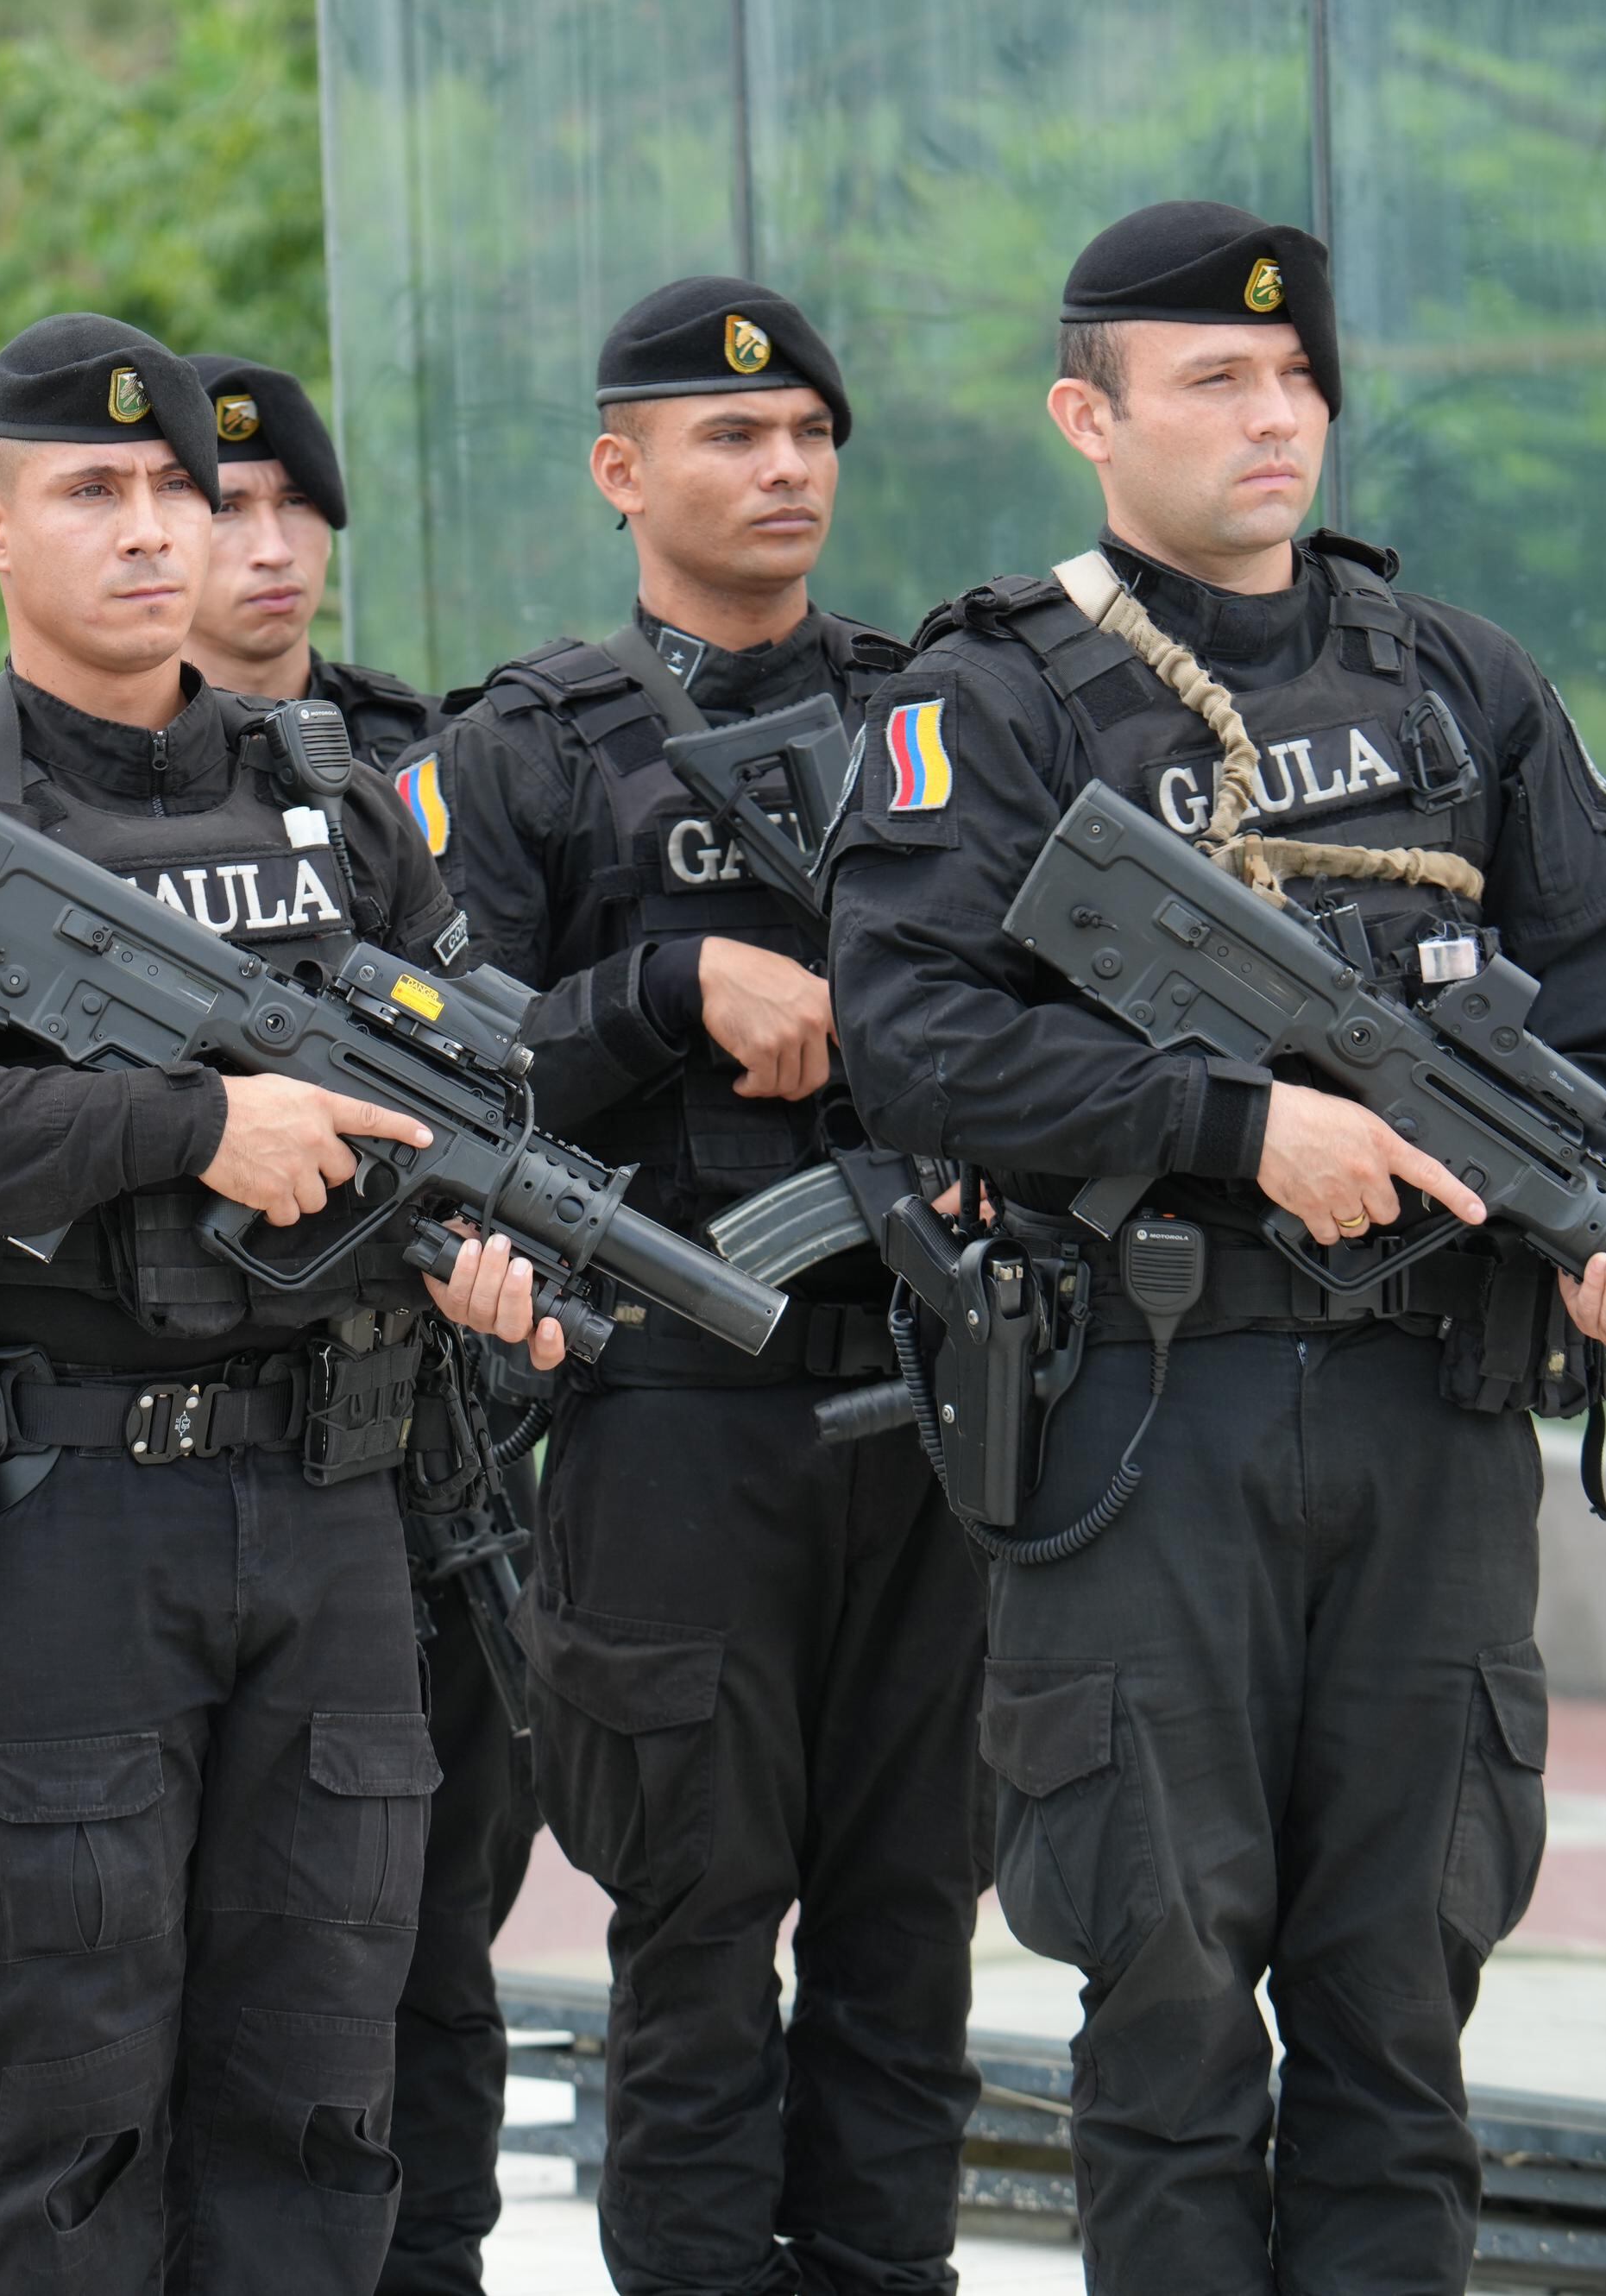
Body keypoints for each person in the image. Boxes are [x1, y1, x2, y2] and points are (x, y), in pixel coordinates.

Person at [822, 201, 1606, 2294]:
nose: (1273, 416)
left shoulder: (1460, 683)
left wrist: (1597, 1235)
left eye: (1298, 375)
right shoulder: (994, 697)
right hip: (1147, 1416)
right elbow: (916, 1040)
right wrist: (1234, 1125)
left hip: (1432, 1410)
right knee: (1161, 1999)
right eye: (1215, 379)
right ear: (1087, 418)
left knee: (1400, 2006)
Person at [0, 312, 567, 2296]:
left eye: (173, 491)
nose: (149, 529)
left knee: (318, 2104)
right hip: (60, 1517)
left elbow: (471, 1097)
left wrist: (491, 1265)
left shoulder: (337, 803)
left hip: (333, 1506)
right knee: (75, 2111)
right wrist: (188, 1125)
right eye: (92, 491)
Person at [419, 276, 980, 2296]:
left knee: (909, 1940)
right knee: (697, 1941)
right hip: (666, 1409)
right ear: (620, 469)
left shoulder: (937, 718)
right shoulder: (524, 750)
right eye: (732, 435)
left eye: (810, 434)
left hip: (930, 1397)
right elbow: (435, 1067)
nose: (782, 467)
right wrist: (665, 988)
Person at [173, 346, 541, 2296]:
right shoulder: (41, 784)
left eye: (292, 509)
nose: (263, 546)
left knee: (427, 1926)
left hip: (418, 1435)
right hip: (166, 1444)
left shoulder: (415, 765)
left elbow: (505, 1058)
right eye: (220, 506)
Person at [175, 354, 437, 766]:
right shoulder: (106, 766)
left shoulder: (429, 752)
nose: (275, 551)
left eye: (296, 502)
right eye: (226, 509)